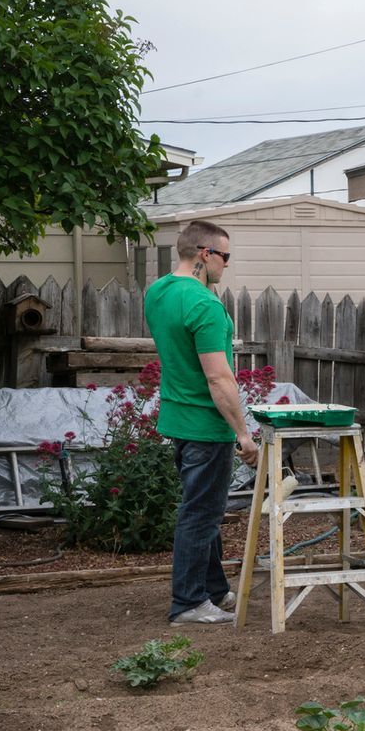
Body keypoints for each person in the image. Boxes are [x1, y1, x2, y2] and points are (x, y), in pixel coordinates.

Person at [143, 219, 260, 626]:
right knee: (201, 514)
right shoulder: (205, 305)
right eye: (225, 257)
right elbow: (218, 377)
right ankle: (189, 602)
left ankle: (213, 590)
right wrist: (243, 433)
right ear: (204, 254)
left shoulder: (156, 293)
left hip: (176, 417)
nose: (227, 265)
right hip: (206, 425)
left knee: (203, 508)